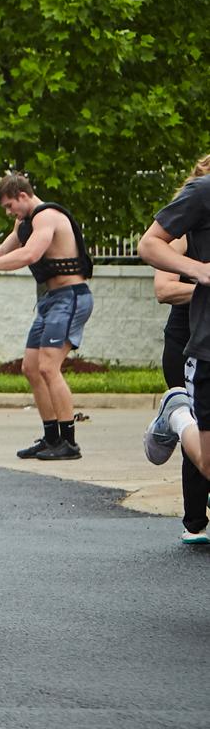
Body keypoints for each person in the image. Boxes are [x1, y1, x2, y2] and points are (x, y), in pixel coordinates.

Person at [0, 174, 94, 460]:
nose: (9, 212)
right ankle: (51, 438)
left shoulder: (47, 216)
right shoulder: (25, 222)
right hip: (51, 300)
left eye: (9, 205)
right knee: (31, 367)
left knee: (48, 367)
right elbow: (4, 249)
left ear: (22, 195)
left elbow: (29, 255)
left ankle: (69, 443)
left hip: (71, 297)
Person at [141, 156, 210, 544]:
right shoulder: (188, 219)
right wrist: (203, 278)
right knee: (201, 437)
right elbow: (164, 288)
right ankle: (195, 520)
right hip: (191, 341)